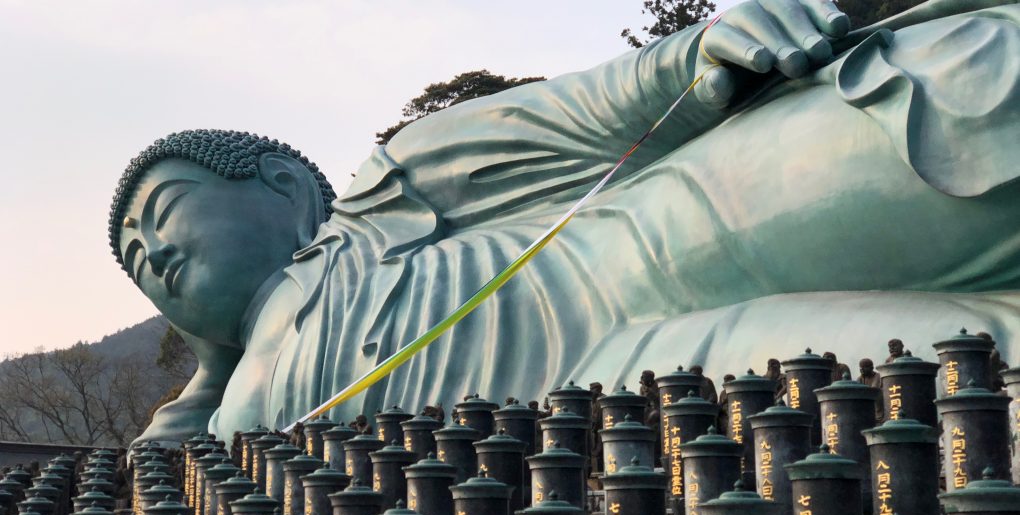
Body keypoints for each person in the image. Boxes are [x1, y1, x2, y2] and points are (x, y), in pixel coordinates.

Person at [113, 0, 1020, 443]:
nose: (149, 254)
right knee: (943, 376)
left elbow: (577, 115)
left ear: (279, 183)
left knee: (943, 111)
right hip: (617, 387)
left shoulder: (388, 190)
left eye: (159, 213)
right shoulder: (223, 413)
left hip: (645, 240)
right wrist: (206, 386)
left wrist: (692, 58)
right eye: (131, 259)